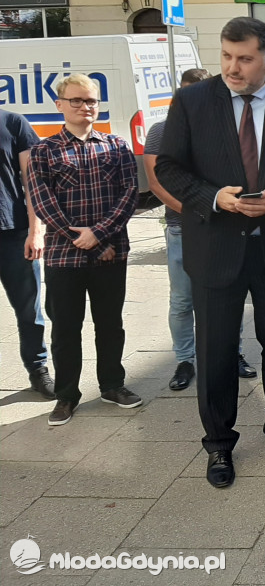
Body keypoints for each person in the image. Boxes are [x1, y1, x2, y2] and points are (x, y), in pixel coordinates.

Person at [156, 17, 265, 488]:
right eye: (226, 56)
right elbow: (168, 167)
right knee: (215, 355)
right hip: (215, 247)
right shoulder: (192, 101)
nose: (233, 67)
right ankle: (218, 445)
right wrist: (213, 198)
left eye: (244, 58)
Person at [28, 74, 140, 426]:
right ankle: (66, 395)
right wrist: (82, 238)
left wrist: (101, 236)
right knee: (65, 328)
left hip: (110, 252)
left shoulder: (117, 146)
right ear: (60, 105)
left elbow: (129, 194)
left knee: (110, 324)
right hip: (65, 256)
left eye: (90, 101)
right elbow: (42, 202)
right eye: (76, 101)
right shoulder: (44, 152)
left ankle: (112, 384)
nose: (84, 107)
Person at [144, 68, 258, 390]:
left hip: (223, 227)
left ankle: (232, 353)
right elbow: (156, 181)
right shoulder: (161, 130)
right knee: (182, 299)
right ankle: (185, 359)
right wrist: (197, 210)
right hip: (183, 227)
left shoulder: (228, 129)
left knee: (228, 294)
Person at [1, 108, 52, 399]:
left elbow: (31, 180)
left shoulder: (12, 122)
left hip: (14, 231)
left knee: (29, 310)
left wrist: (36, 230)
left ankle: (37, 369)